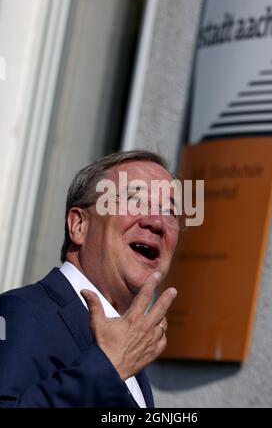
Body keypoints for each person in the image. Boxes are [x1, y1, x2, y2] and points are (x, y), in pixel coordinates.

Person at [0, 150, 179, 407]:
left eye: (170, 211)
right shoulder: (19, 311)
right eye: (135, 201)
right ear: (79, 225)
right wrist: (107, 367)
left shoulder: (130, 347)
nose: (157, 222)